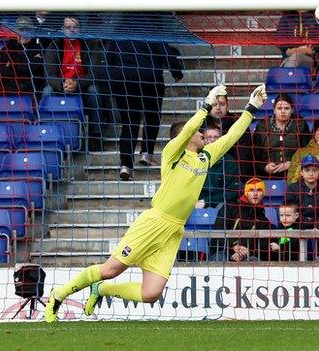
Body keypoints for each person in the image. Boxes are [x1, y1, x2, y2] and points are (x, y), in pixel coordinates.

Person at [44, 84, 267, 322]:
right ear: (187, 136)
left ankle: (101, 290)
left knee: (151, 293)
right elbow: (187, 129)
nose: (203, 133)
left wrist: (251, 108)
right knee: (110, 270)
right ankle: (59, 295)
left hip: (174, 229)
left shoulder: (206, 157)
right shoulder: (173, 153)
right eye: (199, 131)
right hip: (154, 221)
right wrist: (205, 106)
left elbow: (232, 136)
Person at [99, 38, 183, 178]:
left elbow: (109, 58)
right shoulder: (151, 28)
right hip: (149, 78)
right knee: (152, 116)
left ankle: (125, 166)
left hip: (124, 80)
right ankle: (146, 153)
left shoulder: (118, 32)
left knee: (129, 123)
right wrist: (176, 72)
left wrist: (112, 83)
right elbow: (164, 52)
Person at [42, 16, 106, 151]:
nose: (71, 30)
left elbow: (95, 74)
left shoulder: (90, 45)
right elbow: (49, 75)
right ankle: (47, 133)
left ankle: (96, 136)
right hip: (61, 86)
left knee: (94, 91)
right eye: (68, 27)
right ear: (62, 29)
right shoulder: (54, 45)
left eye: (75, 27)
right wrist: (63, 83)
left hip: (82, 86)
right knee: (47, 91)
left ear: (80, 29)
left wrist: (77, 83)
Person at [212, 177, 273, 262]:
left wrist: (246, 252)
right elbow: (218, 231)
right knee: (219, 258)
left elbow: (263, 245)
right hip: (224, 251)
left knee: (254, 261)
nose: (255, 194)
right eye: (251, 190)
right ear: (246, 193)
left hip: (248, 255)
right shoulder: (230, 207)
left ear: (263, 194)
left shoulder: (264, 220)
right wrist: (234, 247)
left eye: (259, 190)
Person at [252, 93, 310, 178]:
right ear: (274, 110)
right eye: (279, 108)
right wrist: (264, 166)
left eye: (286, 108)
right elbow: (254, 154)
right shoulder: (262, 126)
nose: (283, 111)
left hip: (295, 174)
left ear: (292, 110)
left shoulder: (300, 124)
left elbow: (307, 151)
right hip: (266, 175)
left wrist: (293, 164)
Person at [196, 120, 240, 209]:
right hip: (195, 203)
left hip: (221, 206)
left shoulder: (230, 162)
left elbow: (233, 191)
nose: (212, 140)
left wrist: (207, 201)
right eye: (209, 137)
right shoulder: (194, 158)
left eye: (216, 137)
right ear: (203, 139)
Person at [210, 94, 255, 177]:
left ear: (227, 105)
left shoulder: (239, 123)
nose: (218, 108)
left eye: (222, 104)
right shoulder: (202, 124)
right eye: (214, 104)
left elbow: (244, 155)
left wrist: (236, 177)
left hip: (234, 175)